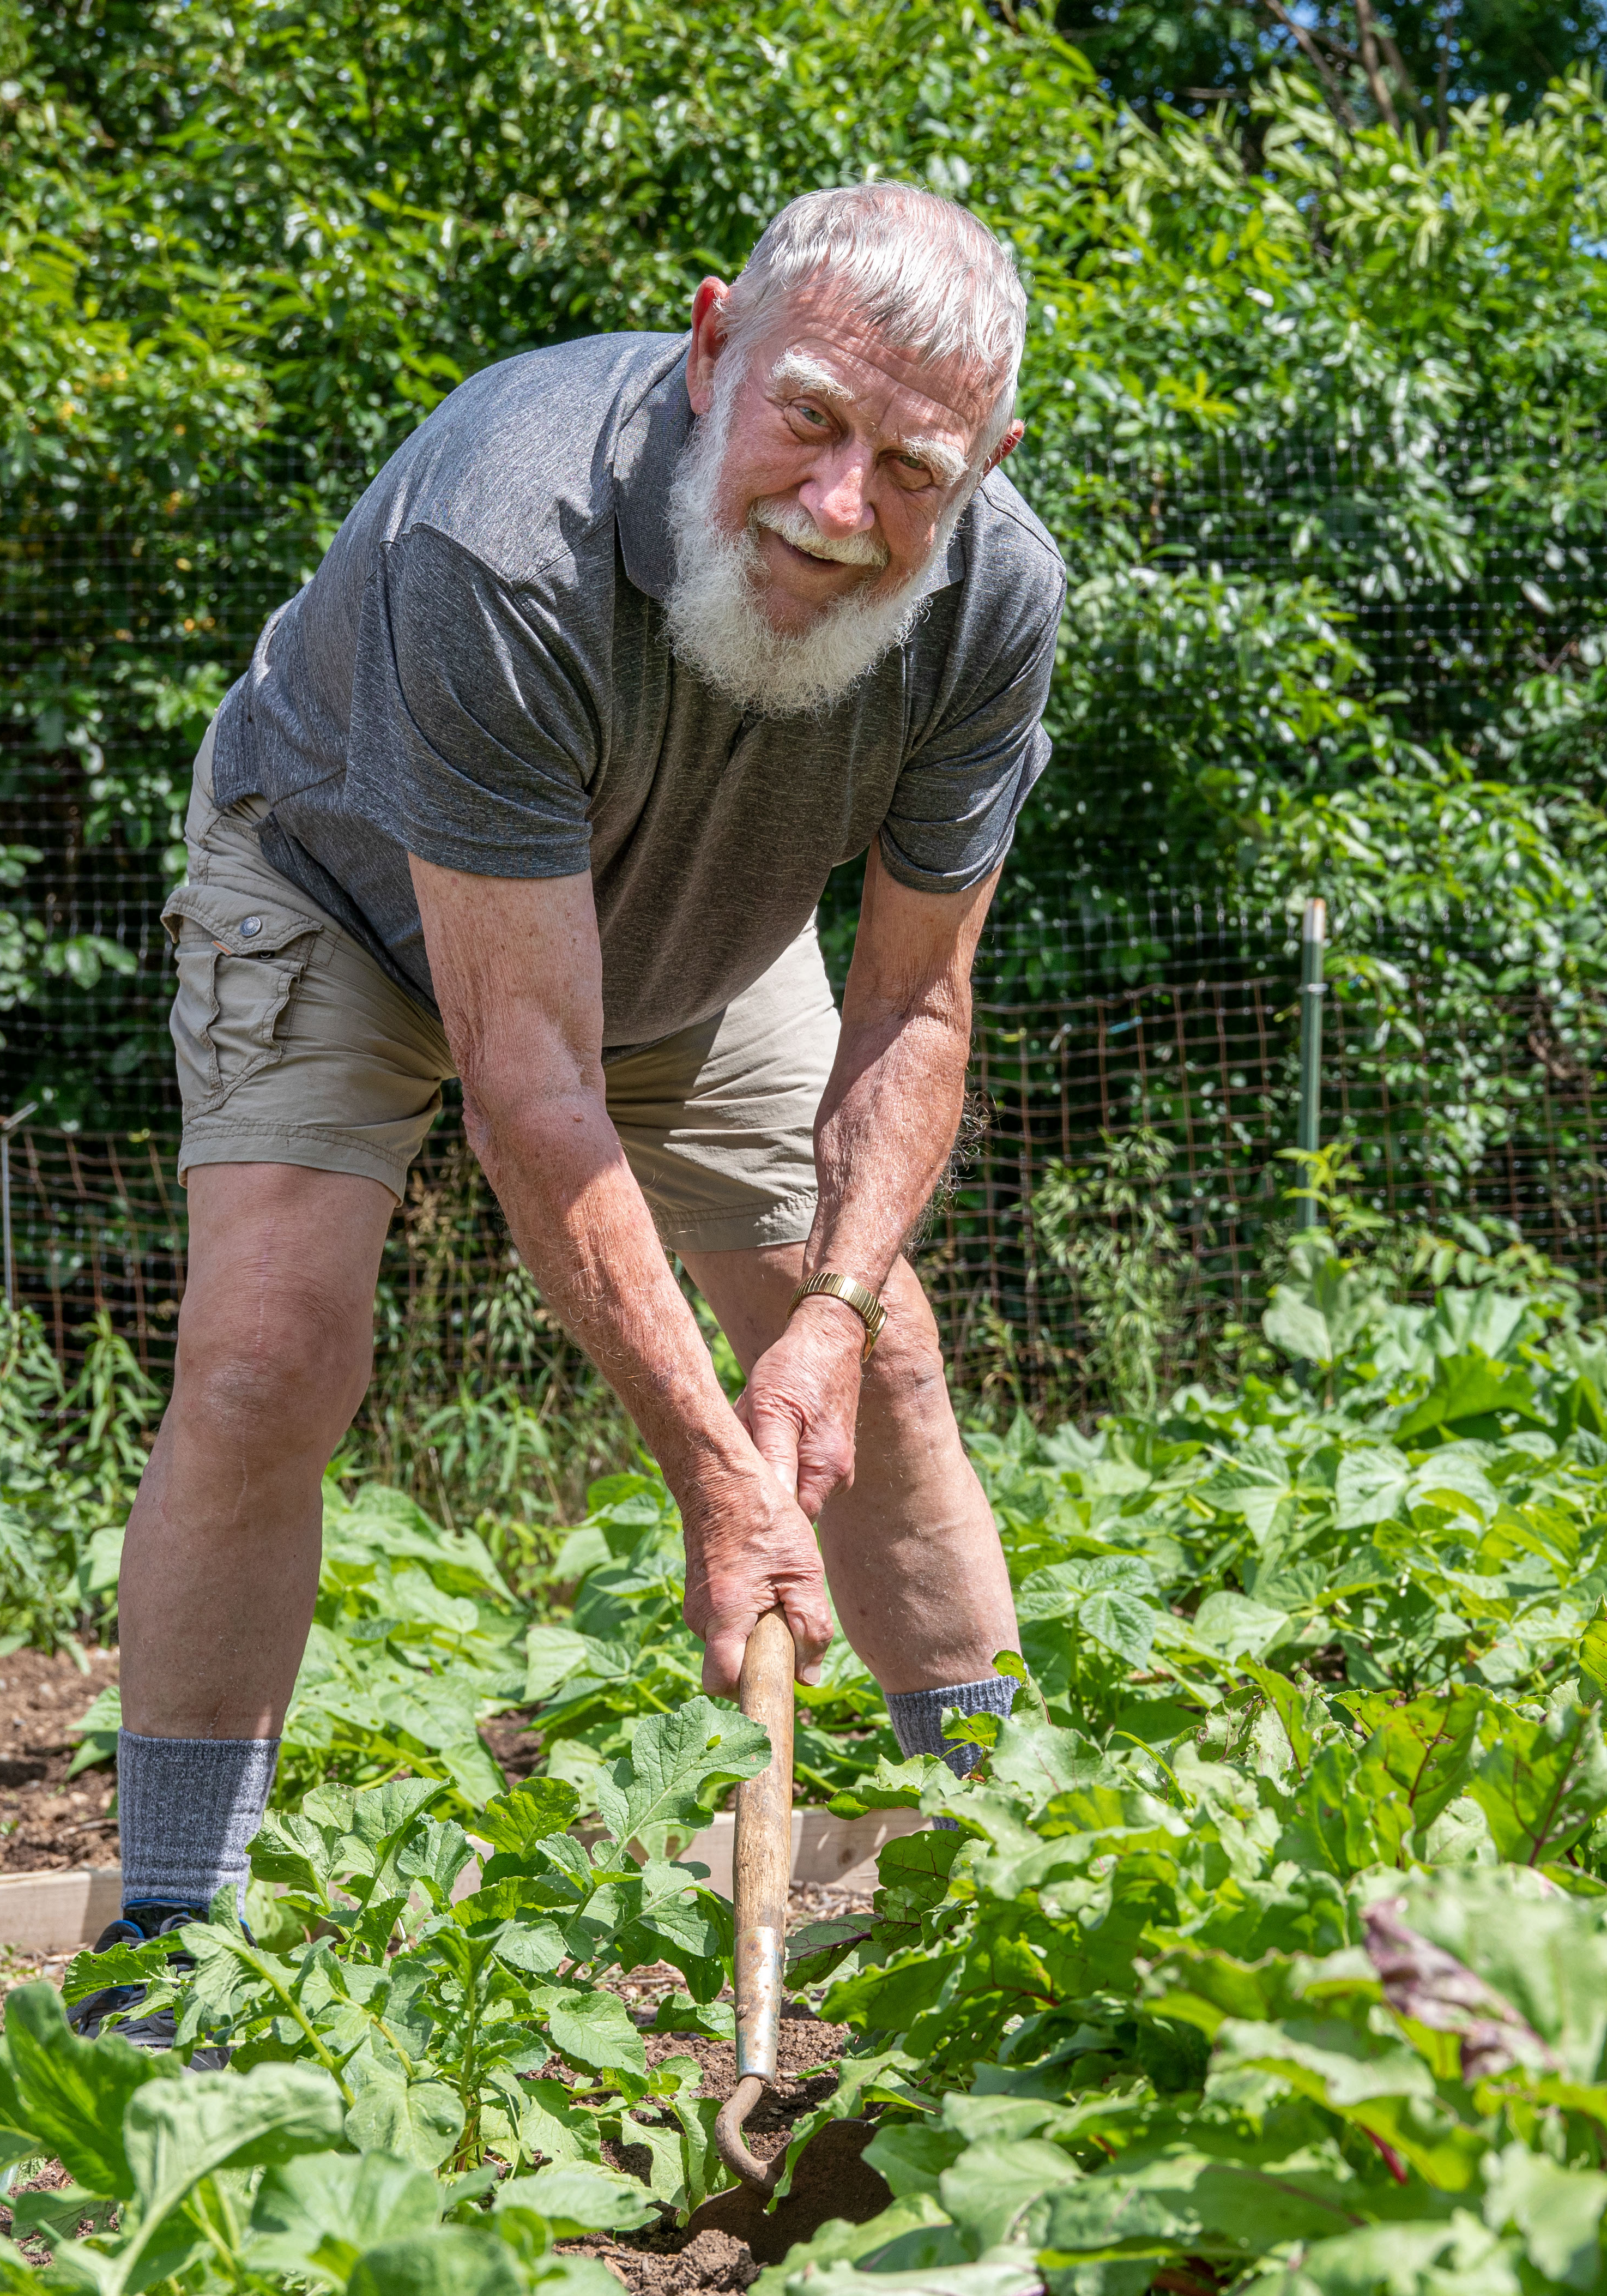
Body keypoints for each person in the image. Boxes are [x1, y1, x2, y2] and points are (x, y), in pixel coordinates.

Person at [81, 182, 1054, 2046]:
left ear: (988, 461)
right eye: (808, 419)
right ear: (711, 350)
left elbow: (916, 1003)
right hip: (341, 884)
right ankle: (164, 1944)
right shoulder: (504, 528)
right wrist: (711, 1477)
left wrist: (832, 1318)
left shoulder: (994, 601)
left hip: (695, 941)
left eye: (914, 466)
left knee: (890, 1348)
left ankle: (1016, 1869)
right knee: (267, 1353)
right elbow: (528, 1069)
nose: (843, 508)